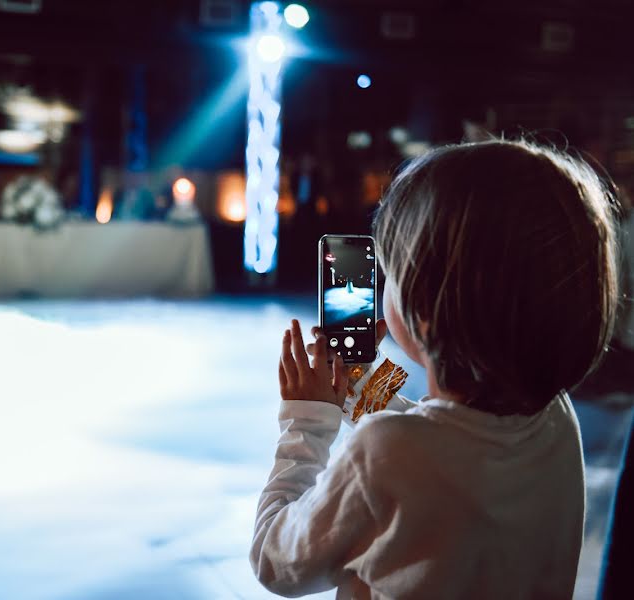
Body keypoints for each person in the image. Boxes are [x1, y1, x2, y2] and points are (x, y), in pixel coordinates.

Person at [252, 140, 620, 598]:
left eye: (392, 273)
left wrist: (306, 423)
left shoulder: (382, 453)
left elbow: (275, 560)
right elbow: (438, 439)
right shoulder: (554, 419)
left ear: (423, 309)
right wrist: (362, 385)